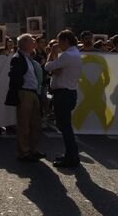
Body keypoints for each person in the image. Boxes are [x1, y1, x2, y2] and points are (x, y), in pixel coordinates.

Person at [45, 30, 83, 168]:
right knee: (64, 125)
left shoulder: (68, 55)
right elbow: (54, 69)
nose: (57, 44)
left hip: (64, 94)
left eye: (59, 41)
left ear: (66, 40)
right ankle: (70, 154)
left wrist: (52, 54)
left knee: (65, 126)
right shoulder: (73, 53)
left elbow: (48, 66)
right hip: (68, 93)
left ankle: (72, 156)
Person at [5, 34, 45, 162]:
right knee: (24, 124)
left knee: (35, 124)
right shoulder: (18, 58)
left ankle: (33, 149)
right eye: (32, 41)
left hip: (33, 93)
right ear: (25, 44)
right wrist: (17, 93)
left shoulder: (28, 58)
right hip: (24, 93)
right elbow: (14, 77)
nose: (34, 43)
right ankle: (23, 152)